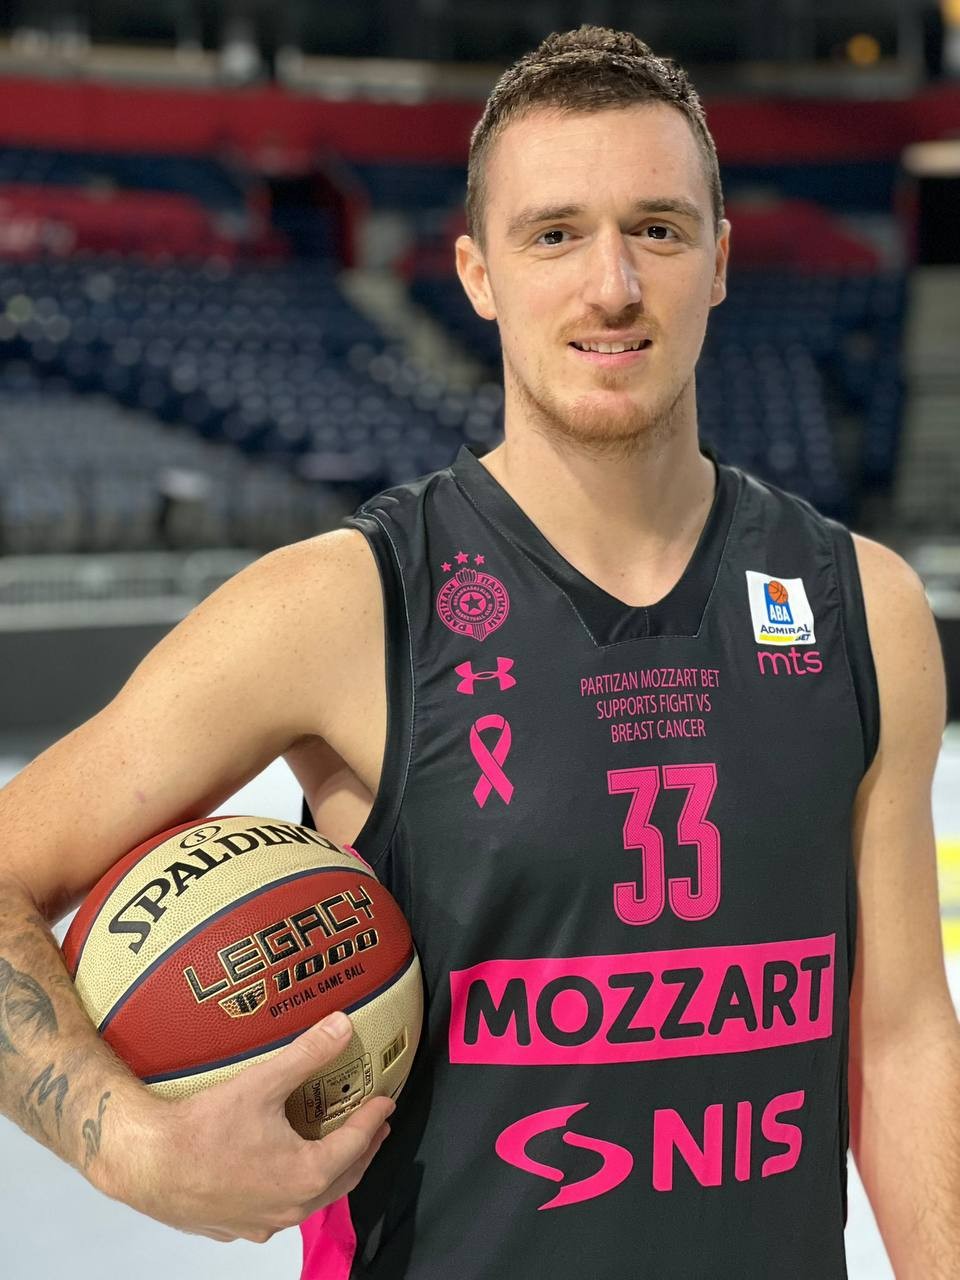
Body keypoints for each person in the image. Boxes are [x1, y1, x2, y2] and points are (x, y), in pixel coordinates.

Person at [0, 23, 957, 1280]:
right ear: (477, 272)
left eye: (659, 229)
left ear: (721, 260)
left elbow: (899, 1036)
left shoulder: (861, 605)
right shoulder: (345, 605)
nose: (612, 284)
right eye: (554, 234)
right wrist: (130, 1145)